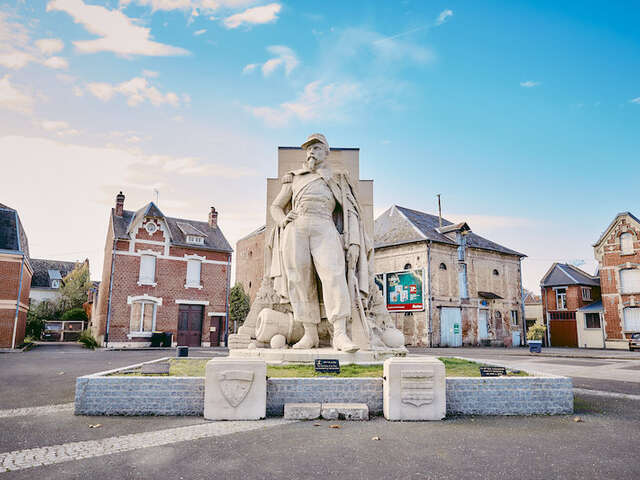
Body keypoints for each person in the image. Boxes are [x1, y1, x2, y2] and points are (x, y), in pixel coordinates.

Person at [269, 133, 368, 352]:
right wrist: (283, 220)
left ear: (326, 152)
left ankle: (340, 334)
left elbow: (351, 212)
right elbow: (276, 206)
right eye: (308, 149)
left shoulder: (338, 177)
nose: (311, 152)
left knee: (333, 275)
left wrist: (354, 243)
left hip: (324, 225)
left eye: (316, 148)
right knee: (299, 280)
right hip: (297, 227)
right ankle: (310, 334)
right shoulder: (294, 177)